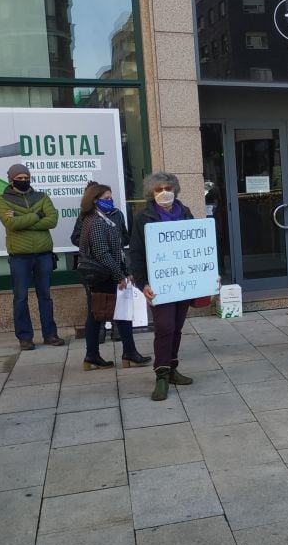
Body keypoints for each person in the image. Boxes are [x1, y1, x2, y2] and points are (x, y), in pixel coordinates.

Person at [128, 172, 197, 401]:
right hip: (159, 284)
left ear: (175, 190)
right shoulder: (143, 217)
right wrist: (142, 283)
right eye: (158, 189)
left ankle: (172, 367)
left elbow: (198, 244)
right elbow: (136, 254)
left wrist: (208, 275)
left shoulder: (185, 213)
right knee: (164, 327)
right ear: (151, 193)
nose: (164, 192)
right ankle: (161, 375)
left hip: (184, 282)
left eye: (168, 188)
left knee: (176, 326)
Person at [73, 183, 150, 370]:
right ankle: (119, 354)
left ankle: (114, 354)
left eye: (111, 197)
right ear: (94, 201)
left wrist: (125, 270)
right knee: (100, 314)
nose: (110, 201)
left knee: (105, 313)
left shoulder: (105, 219)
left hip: (108, 272)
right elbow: (102, 253)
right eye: (106, 198)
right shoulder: (96, 222)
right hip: (103, 275)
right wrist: (119, 275)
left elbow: (118, 246)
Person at [0, 164, 65, 350]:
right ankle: (25, 338)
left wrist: (22, 219)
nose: (24, 180)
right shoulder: (2, 200)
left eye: (26, 177)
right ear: (11, 179)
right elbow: (10, 224)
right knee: (20, 298)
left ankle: (50, 335)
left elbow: (52, 220)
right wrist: (37, 215)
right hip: (19, 257)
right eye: (20, 177)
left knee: (45, 296)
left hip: (43, 255)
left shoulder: (42, 197)